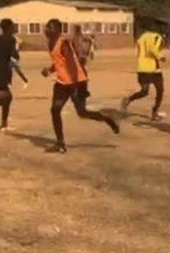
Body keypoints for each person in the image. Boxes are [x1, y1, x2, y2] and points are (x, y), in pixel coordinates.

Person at [42, 19, 119, 154]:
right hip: (62, 83)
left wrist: (79, 53)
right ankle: (60, 143)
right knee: (55, 110)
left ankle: (107, 119)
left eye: (50, 27)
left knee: (82, 112)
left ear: (58, 30)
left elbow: (72, 59)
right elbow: (60, 62)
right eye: (47, 27)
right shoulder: (50, 43)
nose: (47, 29)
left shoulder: (63, 43)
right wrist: (49, 70)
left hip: (77, 81)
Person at [120, 19, 166, 121]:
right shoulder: (157, 37)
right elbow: (153, 49)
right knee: (160, 90)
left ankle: (128, 100)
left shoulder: (142, 37)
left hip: (141, 67)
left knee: (144, 91)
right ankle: (155, 112)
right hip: (153, 68)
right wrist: (161, 56)